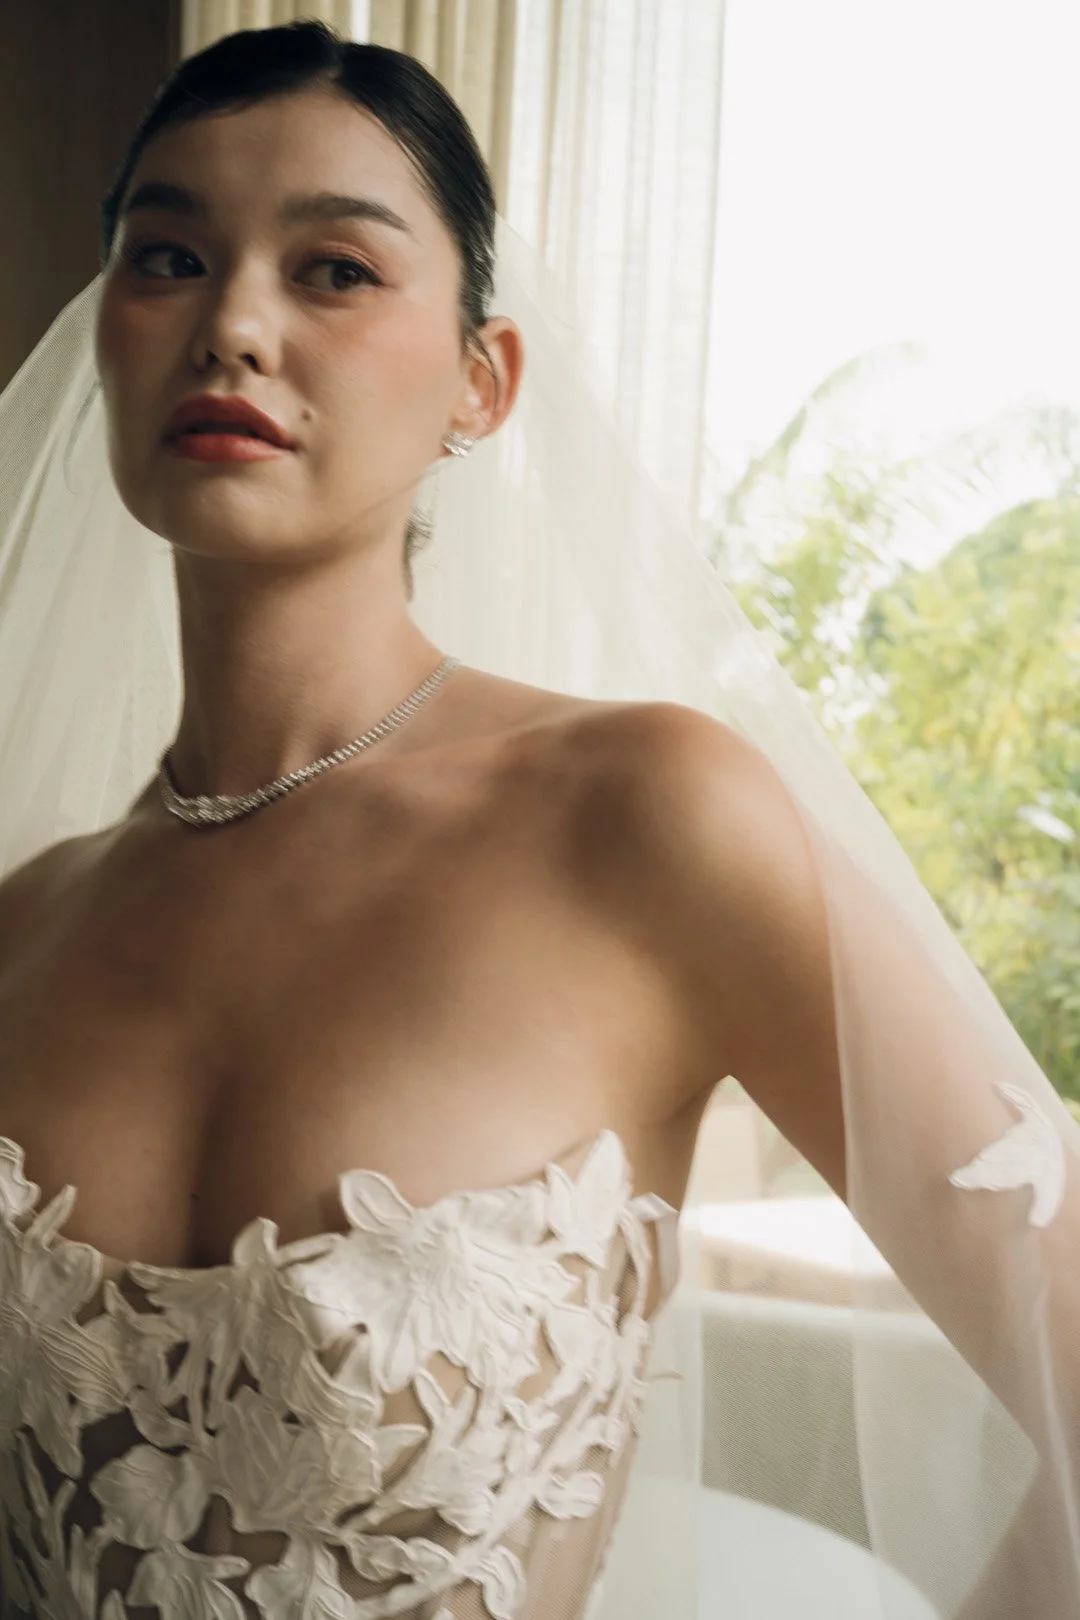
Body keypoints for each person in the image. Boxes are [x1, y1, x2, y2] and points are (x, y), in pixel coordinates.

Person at [0, 22, 1076, 1620]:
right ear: (104, 337)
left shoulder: (648, 822)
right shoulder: (28, 923)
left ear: (481, 383)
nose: (232, 322)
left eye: (336, 271)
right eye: (169, 256)